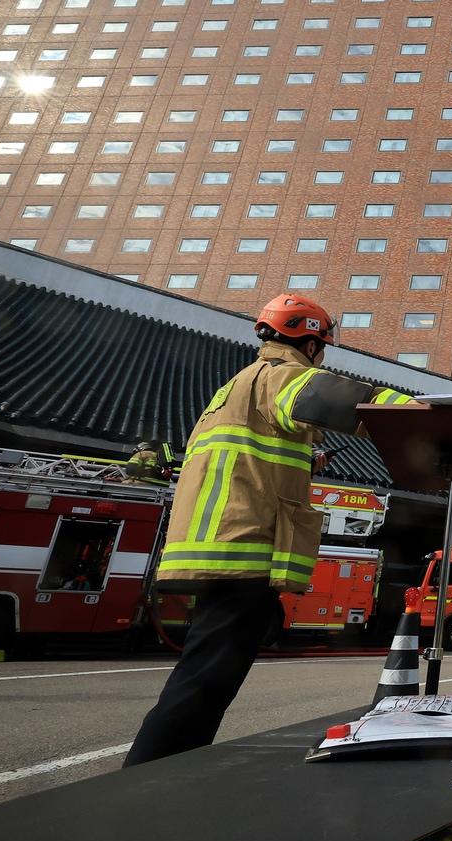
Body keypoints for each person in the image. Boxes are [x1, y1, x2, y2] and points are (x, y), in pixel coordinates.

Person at [125, 293, 415, 766]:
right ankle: (149, 774)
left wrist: (308, 456)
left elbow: (253, 460)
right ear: (311, 342)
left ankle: (166, 769)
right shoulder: (282, 376)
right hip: (241, 550)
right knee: (204, 679)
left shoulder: (239, 385)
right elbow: (350, 403)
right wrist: (425, 414)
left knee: (207, 673)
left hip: (214, 547)